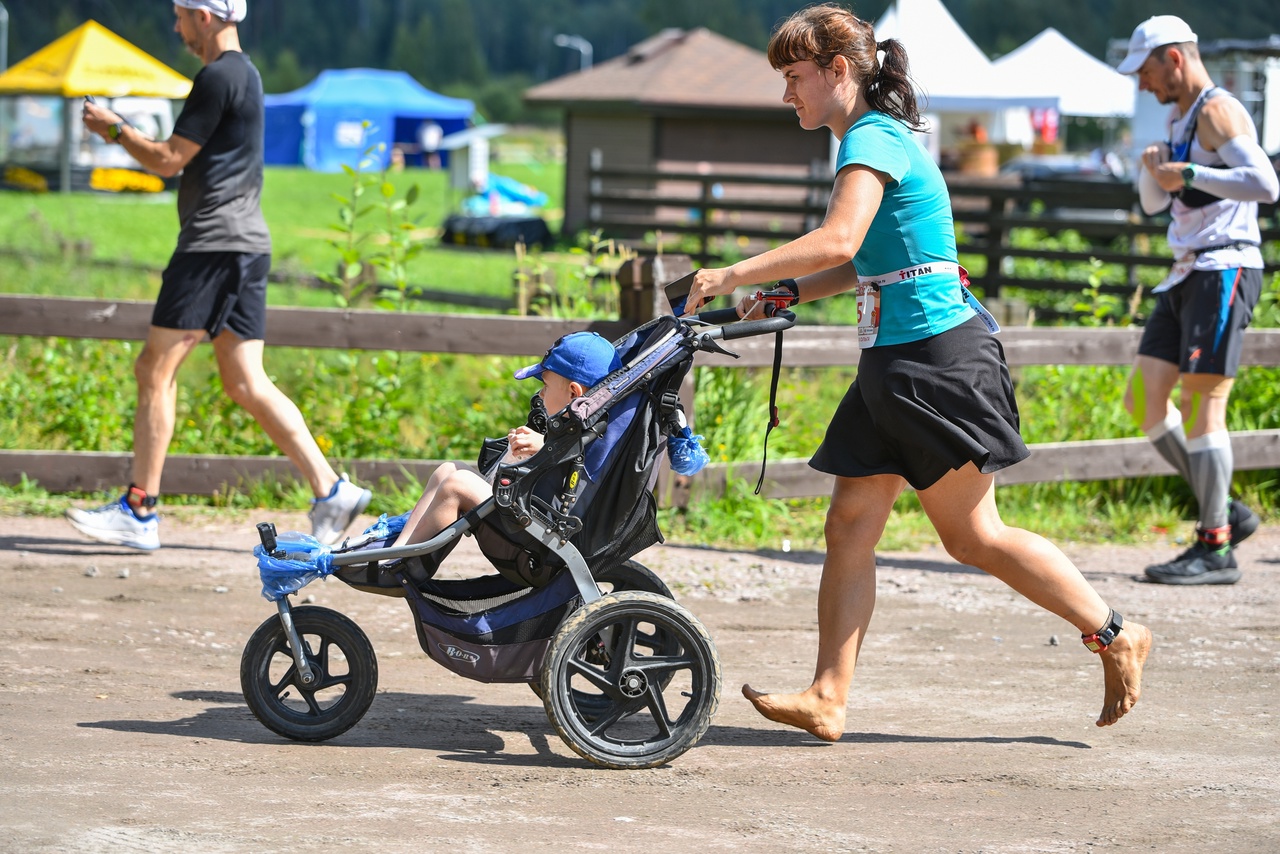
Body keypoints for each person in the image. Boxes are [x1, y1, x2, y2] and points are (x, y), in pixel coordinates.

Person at [683, 4, 1151, 740]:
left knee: (973, 538)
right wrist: (787, 289)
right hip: (894, 360)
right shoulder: (868, 139)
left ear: (840, 71)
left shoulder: (870, 136)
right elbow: (865, 258)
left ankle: (1115, 631)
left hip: (935, 360)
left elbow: (839, 235)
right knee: (849, 525)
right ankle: (828, 697)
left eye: (795, 78)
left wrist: (734, 269)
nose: (787, 97)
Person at [68, 0, 371, 551]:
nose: (176, 26)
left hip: (213, 246)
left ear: (203, 17)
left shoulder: (217, 76)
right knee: (244, 381)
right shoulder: (246, 74)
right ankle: (331, 490)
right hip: (247, 246)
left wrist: (114, 129)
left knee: (153, 369)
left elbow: (167, 159)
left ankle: (140, 510)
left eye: (180, 16)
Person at [1117, 16, 1278, 585]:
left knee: (1202, 406)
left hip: (1227, 267)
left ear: (1174, 59)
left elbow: (1265, 184)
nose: (1142, 84)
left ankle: (1215, 547)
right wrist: (1153, 171)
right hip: (1187, 273)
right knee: (1143, 397)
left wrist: (1188, 170)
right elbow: (1158, 205)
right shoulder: (1177, 116)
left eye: (1145, 71)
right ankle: (1224, 507)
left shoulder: (1217, 110)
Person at [391, 332, 620, 548]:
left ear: (573, 393)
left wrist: (544, 449)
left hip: (543, 536)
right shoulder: (580, 427)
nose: (540, 395)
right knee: (448, 470)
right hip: (529, 517)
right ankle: (400, 548)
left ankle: (402, 564)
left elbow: (580, 477)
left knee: (457, 484)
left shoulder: (599, 436)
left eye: (545, 386)